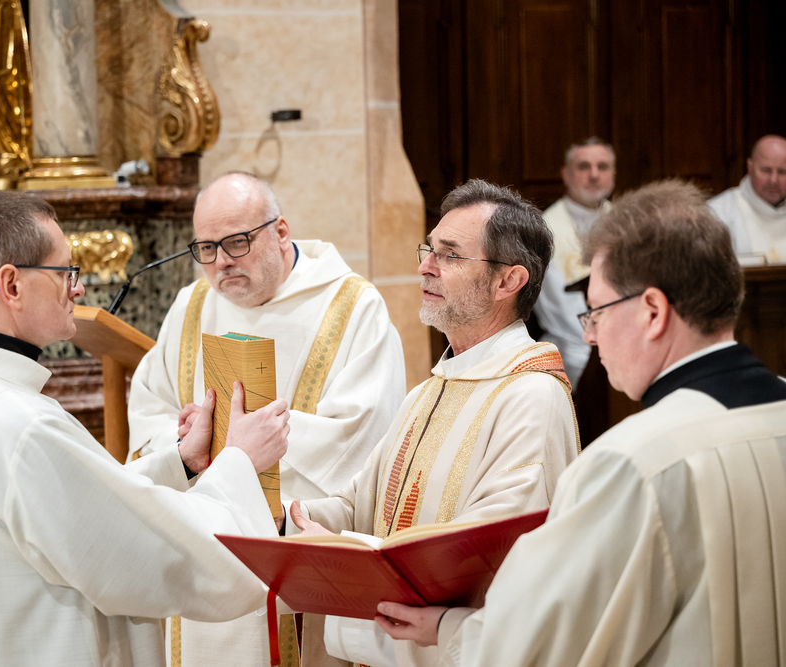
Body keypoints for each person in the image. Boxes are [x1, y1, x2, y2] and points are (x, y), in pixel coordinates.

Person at [374, 180, 786, 666]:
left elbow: (551, 641)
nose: (590, 336)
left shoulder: (634, 462)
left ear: (653, 312)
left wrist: (447, 628)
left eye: (596, 311)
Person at [0, 191, 291, 667]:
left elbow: (93, 507)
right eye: (65, 272)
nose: (79, 289)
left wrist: (181, 462)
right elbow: (154, 554)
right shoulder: (21, 427)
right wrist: (240, 462)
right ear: (12, 285)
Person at [289, 179, 581, 667]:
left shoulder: (531, 395)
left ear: (508, 281)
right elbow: (360, 505)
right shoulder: (428, 391)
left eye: (450, 254)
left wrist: (348, 555)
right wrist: (287, 521)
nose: (425, 266)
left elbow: (490, 552)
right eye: (429, 249)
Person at [127, 172, 406, 667]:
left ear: (280, 232)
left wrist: (243, 441)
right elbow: (150, 407)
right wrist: (186, 443)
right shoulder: (191, 305)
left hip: (293, 542)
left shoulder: (352, 307)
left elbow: (362, 434)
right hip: (203, 540)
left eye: (237, 242)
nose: (221, 262)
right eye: (206, 248)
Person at [532, 137, 616, 387]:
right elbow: (561, 309)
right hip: (571, 352)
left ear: (613, 173)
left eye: (603, 167)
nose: (594, 175)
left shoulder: (626, 223)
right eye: (583, 167)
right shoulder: (545, 230)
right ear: (565, 175)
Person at [709, 134, 786, 262]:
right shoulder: (718, 214)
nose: (773, 180)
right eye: (766, 170)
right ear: (750, 168)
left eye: (782, 172)